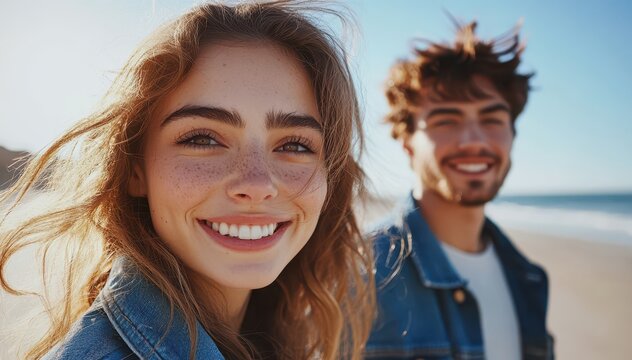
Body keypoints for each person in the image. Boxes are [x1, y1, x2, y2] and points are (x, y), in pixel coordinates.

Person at [0, 1, 374, 359]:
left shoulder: (272, 335)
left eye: (295, 144)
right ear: (134, 169)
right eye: (203, 139)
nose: (258, 183)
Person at [365, 21, 554, 359]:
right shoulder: (361, 274)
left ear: (513, 135)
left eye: (492, 119)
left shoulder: (529, 280)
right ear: (407, 143)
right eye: (446, 121)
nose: (474, 141)